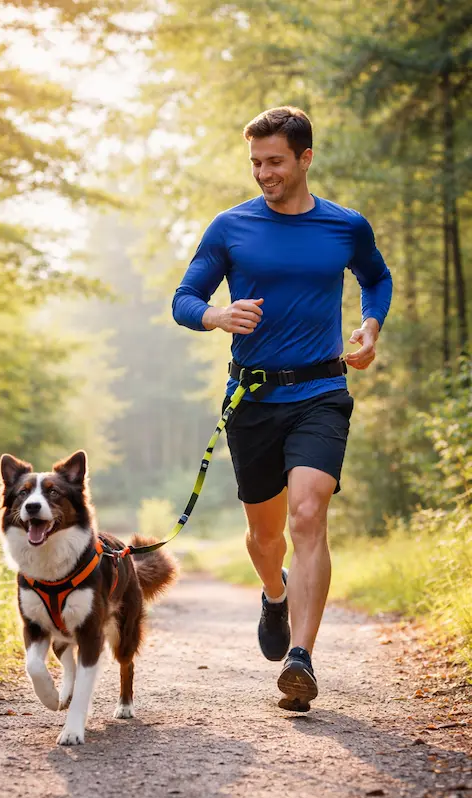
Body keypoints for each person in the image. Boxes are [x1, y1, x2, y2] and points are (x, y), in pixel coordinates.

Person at [172, 106, 392, 711]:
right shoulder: (231, 227)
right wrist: (217, 314)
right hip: (254, 397)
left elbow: (377, 278)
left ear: (304, 159)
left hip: (322, 391)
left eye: (274, 162)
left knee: (307, 514)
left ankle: (301, 658)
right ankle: (274, 592)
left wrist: (371, 326)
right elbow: (184, 298)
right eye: (256, 163)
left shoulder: (345, 227)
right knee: (265, 539)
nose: (264, 174)